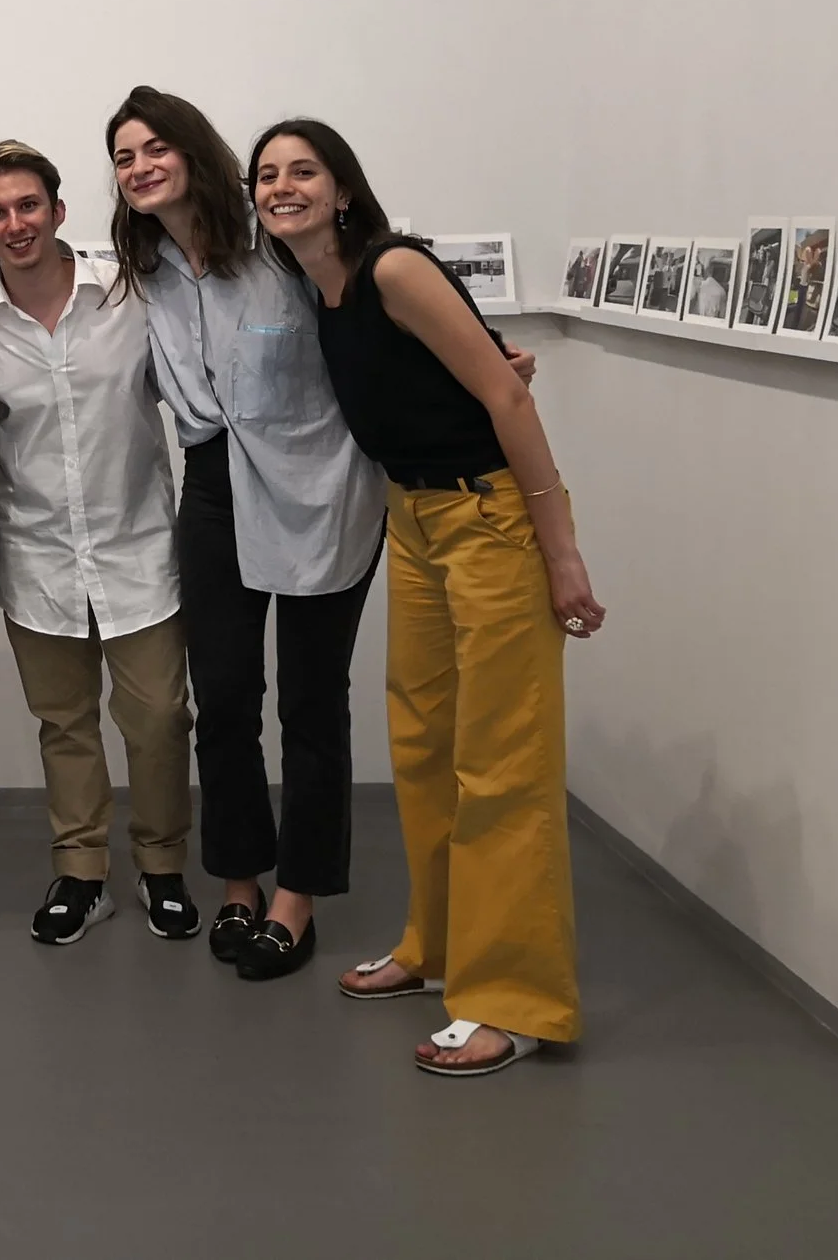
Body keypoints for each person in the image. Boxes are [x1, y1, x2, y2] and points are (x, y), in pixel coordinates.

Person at [249, 118, 604, 1077]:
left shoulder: (394, 268)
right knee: (425, 747)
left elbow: (508, 397)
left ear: (342, 187)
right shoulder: (318, 289)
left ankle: (515, 1002)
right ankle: (438, 947)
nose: (283, 186)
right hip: (413, 521)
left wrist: (559, 550)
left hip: (491, 519)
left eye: (303, 170)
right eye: (268, 175)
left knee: (503, 761)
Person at [106, 86, 384, 983]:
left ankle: (298, 897)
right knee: (223, 696)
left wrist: (488, 352)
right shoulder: (144, 266)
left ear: (193, 151)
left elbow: (382, 315)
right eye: (124, 156)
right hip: (214, 483)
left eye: (155, 147)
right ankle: (239, 879)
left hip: (320, 484)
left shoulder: (282, 248)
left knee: (311, 700)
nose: (140, 166)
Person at [0, 141, 197, 947]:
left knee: (160, 718)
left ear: (58, 210)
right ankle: (81, 871)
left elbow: (199, 381)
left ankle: (162, 864)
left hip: (138, 549)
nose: (15, 223)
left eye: (29, 205)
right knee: (64, 724)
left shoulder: (130, 294)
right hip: (37, 555)